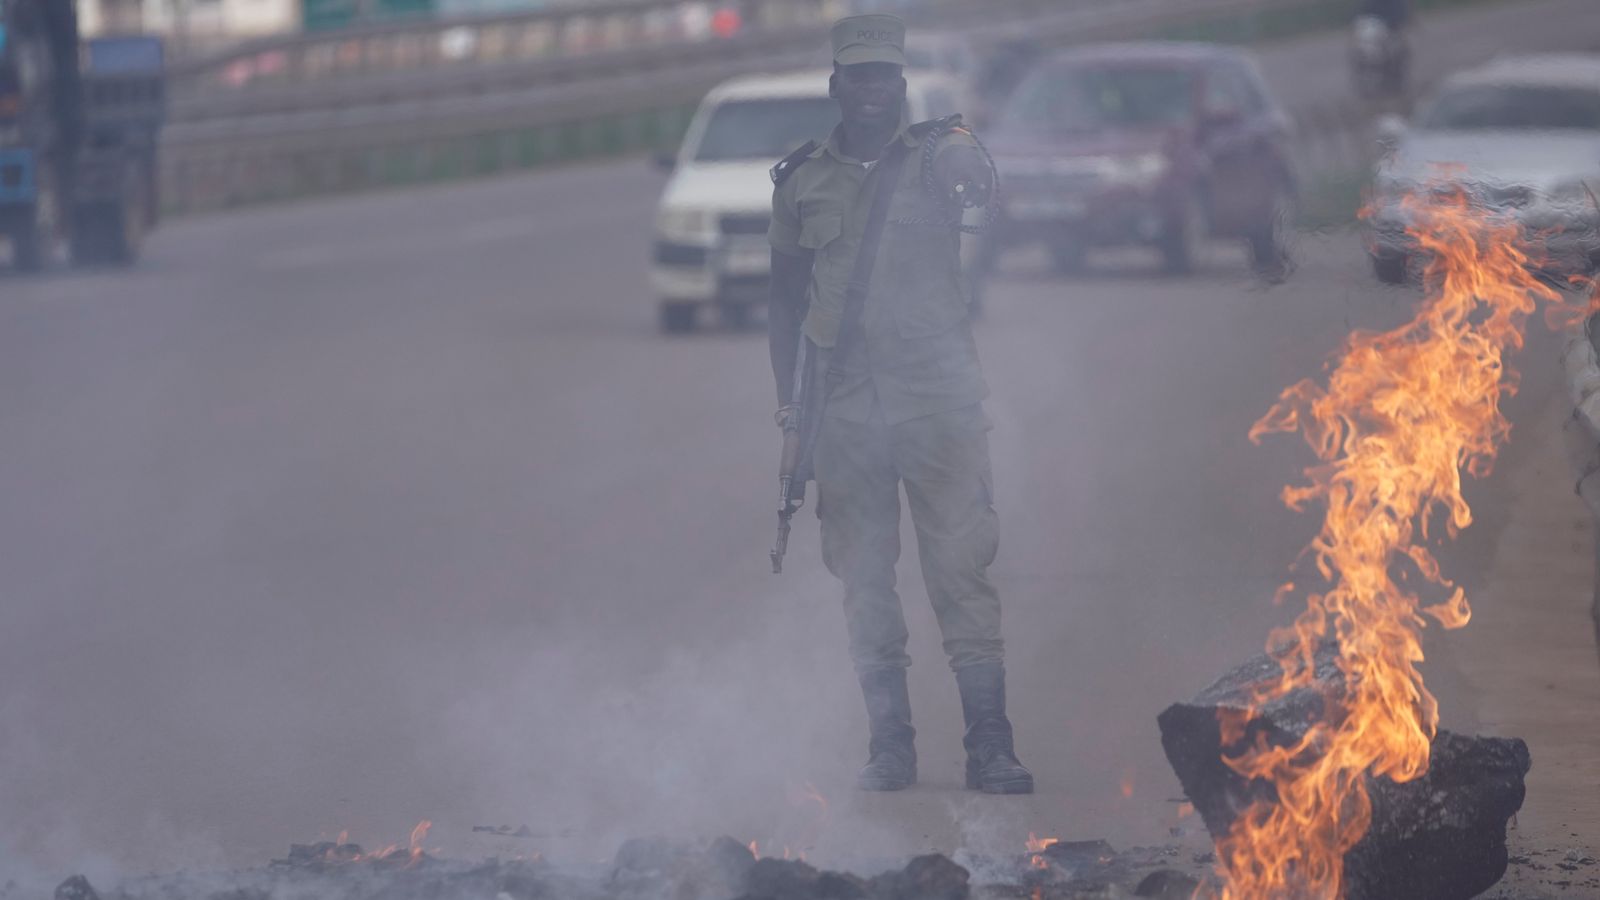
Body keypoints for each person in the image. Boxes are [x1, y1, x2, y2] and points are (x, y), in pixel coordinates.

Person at [766, 14, 1033, 795]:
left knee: (961, 574)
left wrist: (967, 159)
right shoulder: (802, 181)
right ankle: (891, 747)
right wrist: (791, 412)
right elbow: (783, 303)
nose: (872, 89)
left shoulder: (937, 157)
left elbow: (981, 193)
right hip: (845, 409)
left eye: (885, 74)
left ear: (902, 84)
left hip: (938, 401)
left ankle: (991, 746)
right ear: (836, 84)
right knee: (865, 582)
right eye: (859, 75)